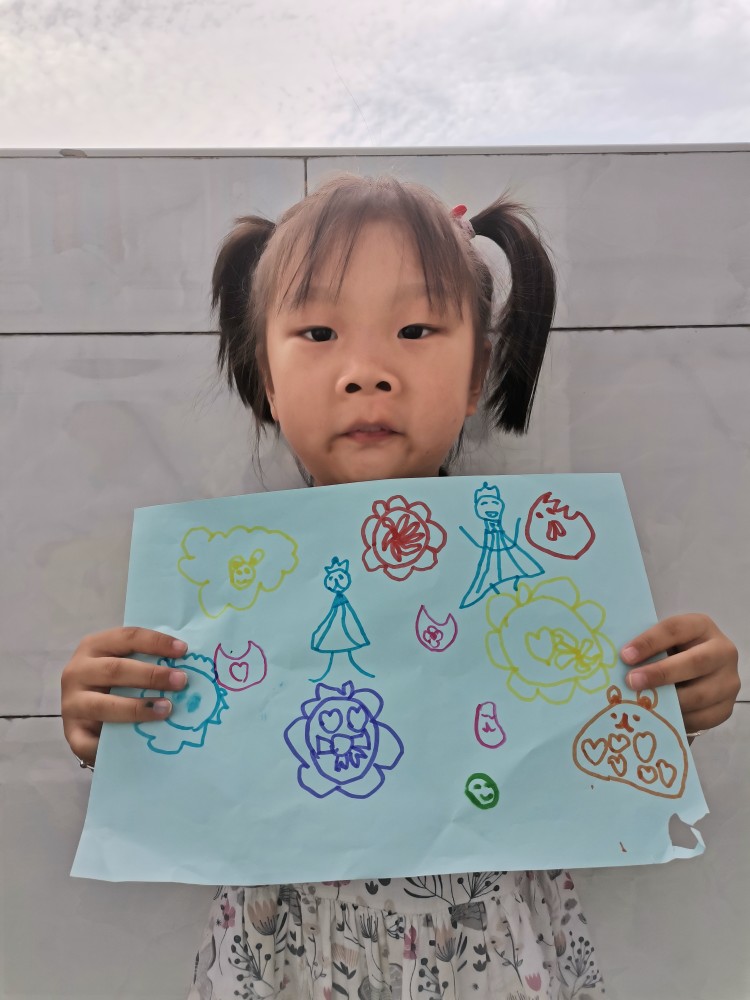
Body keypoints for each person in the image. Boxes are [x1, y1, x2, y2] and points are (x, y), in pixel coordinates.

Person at [61, 173, 741, 999]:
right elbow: (188, 768)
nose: (366, 371)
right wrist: (111, 725)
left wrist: (673, 697)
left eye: (416, 329)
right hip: (283, 957)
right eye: (318, 332)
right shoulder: (218, 597)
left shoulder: (545, 590)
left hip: (496, 954)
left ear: (476, 371)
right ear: (267, 376)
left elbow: (586, 750)